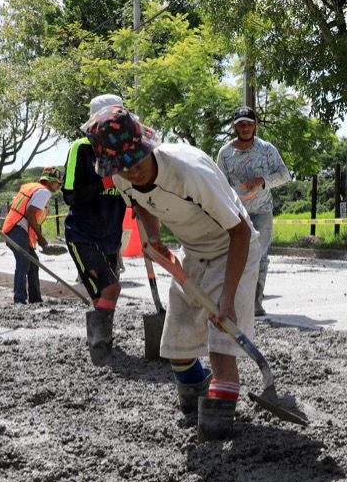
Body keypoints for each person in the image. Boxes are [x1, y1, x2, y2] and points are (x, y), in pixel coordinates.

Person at [85, 106, 261, 440]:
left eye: (136, 161)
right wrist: (153, 239)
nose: (131, 172)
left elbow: (239, 232)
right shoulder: (122, 176)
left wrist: (227, 297)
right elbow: (140, 204)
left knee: (222, 343)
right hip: (194, 251)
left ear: (147, 146)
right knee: (176, 346)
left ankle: (219, 420)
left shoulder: (189, 170)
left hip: (233, 247)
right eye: (122, 166)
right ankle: (197, 402)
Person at [62, 93, 131, 364]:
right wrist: (105, 184)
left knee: (105, 293)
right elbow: (69, 195)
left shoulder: (126, 148)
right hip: (83, 235)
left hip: (111, 236)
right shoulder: (81, 148)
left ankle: (102, 344)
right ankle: (100, 351)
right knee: (111, 288)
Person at [215, 106, 290, 317]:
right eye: (241, 124)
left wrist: (262, 181)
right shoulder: (225, 153)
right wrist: (234, 196)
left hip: (262, 212)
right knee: (233, 255)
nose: (245, 128)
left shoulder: (267, 149)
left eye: (249, 123)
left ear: (255, 125)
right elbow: (218, 183)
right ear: (235, 127)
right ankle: (232, 300)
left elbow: (285, 174)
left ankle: (255, 302)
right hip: (235, 214)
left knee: (261, 256)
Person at [1, 166, 63, 305]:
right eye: (57, 183)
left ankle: (35, 299)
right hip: (16, 230)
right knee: (24, 262)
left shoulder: (31, 187)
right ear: (49, 181)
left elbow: (16, 206)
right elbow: (30, 213)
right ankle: (19, 300)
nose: (58, 186)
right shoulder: (44, 192)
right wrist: (40, 237)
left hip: (13, 228)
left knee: (33, 262)